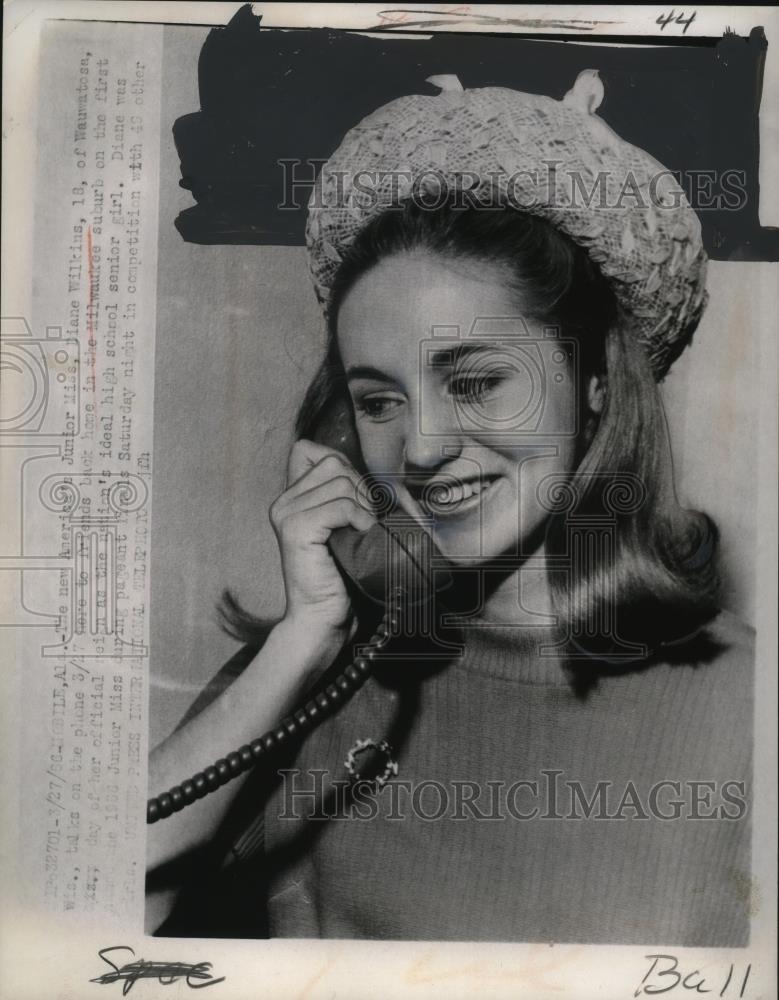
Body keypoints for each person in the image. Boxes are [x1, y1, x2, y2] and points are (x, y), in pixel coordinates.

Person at [146, 72, 753, 944]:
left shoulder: (744, 706)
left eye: (474, 382)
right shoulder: (308, 677)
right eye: (379, 401)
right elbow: (72, 924)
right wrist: (303, 643)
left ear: (591, 385)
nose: (421, 449)